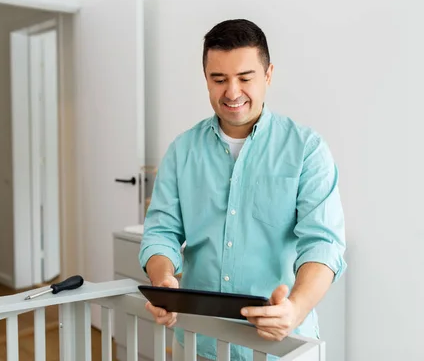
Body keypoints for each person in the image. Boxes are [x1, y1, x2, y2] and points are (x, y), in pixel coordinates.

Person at [138, 19, 347, 361]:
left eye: (245, 78)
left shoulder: (307, 149)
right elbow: (161, 234)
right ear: (205, 79)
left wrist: (294, 309)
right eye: (218, 79)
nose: (232, 92)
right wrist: (163, 283)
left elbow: (323, 244)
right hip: (199, 342)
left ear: (268, 75)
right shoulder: (181, 151)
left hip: (282, 344)